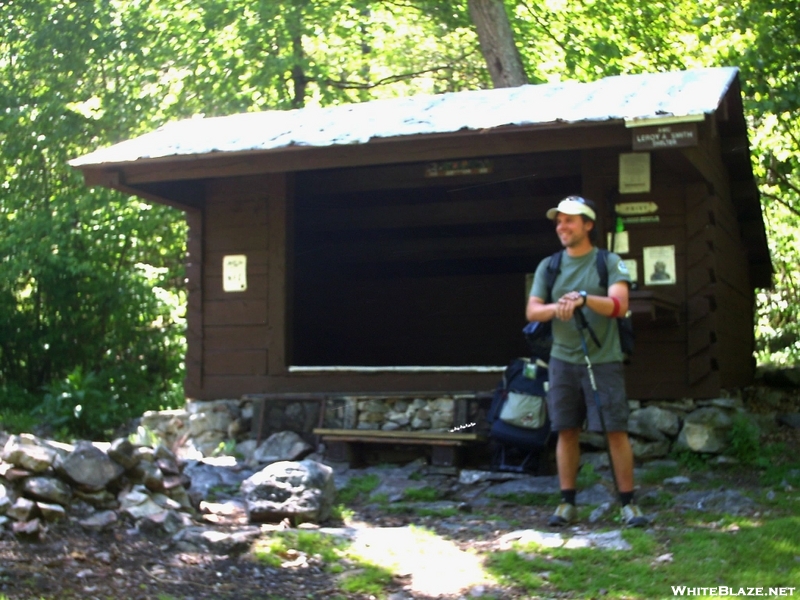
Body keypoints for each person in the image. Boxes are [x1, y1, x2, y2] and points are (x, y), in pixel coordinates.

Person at [525, 195, 647, 528]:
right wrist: (560, 307)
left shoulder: (608, 262)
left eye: (569, 220)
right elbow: (533, 311)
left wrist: (583, 299)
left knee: (615, 431)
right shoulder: (548, 266)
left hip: (603, 359)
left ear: (588, 225)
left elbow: (619, 305)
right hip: (561, 360)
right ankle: (567, 504)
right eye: (559, 221)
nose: (561, 226)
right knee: (565, 430)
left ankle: (628, 504)